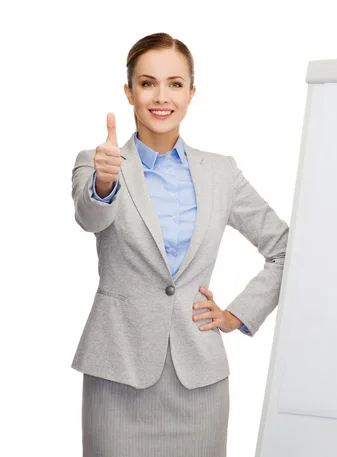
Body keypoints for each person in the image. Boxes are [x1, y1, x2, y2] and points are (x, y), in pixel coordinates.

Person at [70, 32, 289, 457]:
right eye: (148, 83)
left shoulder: (221, 172)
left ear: (191, 92)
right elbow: (89, 217)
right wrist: (104, 182)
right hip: (117, 376)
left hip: (199, 382)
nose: (161, 96)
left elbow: (285, 247)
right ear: (129, 92)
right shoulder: (99, 162)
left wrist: (237, 315)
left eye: (174, 83)